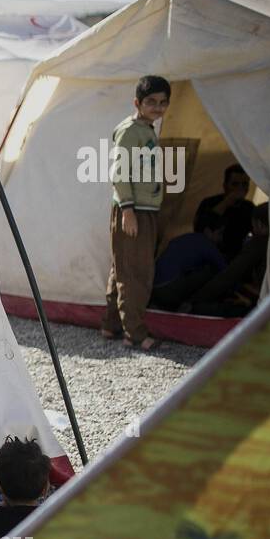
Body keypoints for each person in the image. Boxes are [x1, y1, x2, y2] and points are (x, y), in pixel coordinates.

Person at [101, 75, 170, 351]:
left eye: (163, 102)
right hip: (134, 210)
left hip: (144, 209)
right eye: (151, 101)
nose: (157, 107)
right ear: (137, 103)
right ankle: (136, 334)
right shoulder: (131, 131)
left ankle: (111, 325)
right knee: (136, 272)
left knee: (122, 267)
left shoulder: (147, 129)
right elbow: (118, 172)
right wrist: (128, 209)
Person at [149, 211, 227, 311]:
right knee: (210, 271)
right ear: (208, 231)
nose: (221, 238)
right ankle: (189, 305)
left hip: (154, 289)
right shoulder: (206, 243)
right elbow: (224, 269)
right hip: (169, 290)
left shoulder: (186, 238)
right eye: (219, 233)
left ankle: (163, 305)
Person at [195, 164, 255, 260]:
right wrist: (226, 202)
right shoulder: (210, 203)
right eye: (235, 184)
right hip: (207, 257)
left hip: (234, 259)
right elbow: (199, 226)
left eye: (244, 184)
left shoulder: (248, 207)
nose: (240, 188)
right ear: (225, 185)